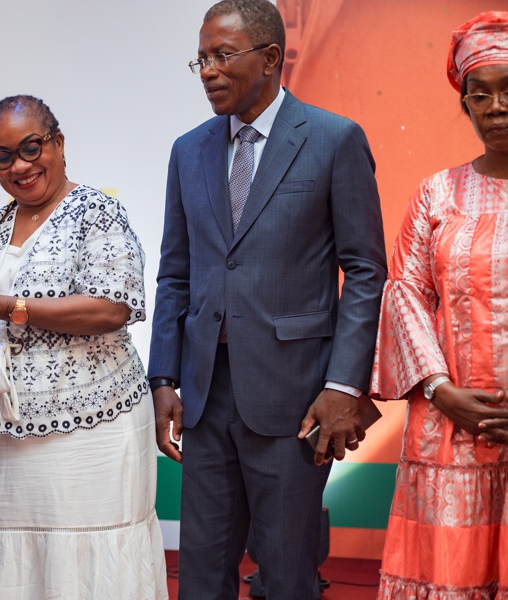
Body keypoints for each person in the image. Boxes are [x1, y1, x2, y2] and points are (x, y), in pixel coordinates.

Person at [147, 1, 387, 598]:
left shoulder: (334, 139)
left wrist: (343, 386)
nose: (207, 71)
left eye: (222, 56)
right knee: (201, 576)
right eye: (200, 59)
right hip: (205, 395)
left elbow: (364, 271)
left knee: (285, 576)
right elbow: (175, 273)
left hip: (297, 397)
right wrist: (164, 378)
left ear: (271, 57)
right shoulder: (187, 150)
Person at [0, 94, 168, 600]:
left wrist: (9, 306)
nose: (19, 166)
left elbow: (112, 307)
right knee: (4, 568)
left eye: (31, 148)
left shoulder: (96, 213)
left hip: (89, 428)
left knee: (83, 567)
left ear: (58, 143)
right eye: (3, 156)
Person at [370, 11, 508, 598]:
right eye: (481, 94)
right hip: (449, 426)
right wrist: (441, 390)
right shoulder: (437, 193)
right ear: (465, 103)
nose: (496, 108)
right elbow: (405, 292)